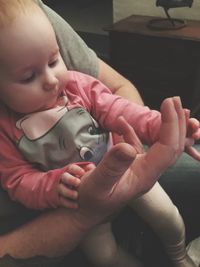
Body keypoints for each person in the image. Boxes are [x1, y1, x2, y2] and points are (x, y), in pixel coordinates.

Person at [0, 2, 199, 267]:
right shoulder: (6, 130)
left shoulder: (75, 84)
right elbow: (18, 181)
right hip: (78, 205)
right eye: (28, 77)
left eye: (53, 60)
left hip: (128, 171)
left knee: (168, 217)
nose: (50, 80)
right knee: (104, 257)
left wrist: (159, 125)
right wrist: (55, 187)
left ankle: (179, 257)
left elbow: (119, 109)